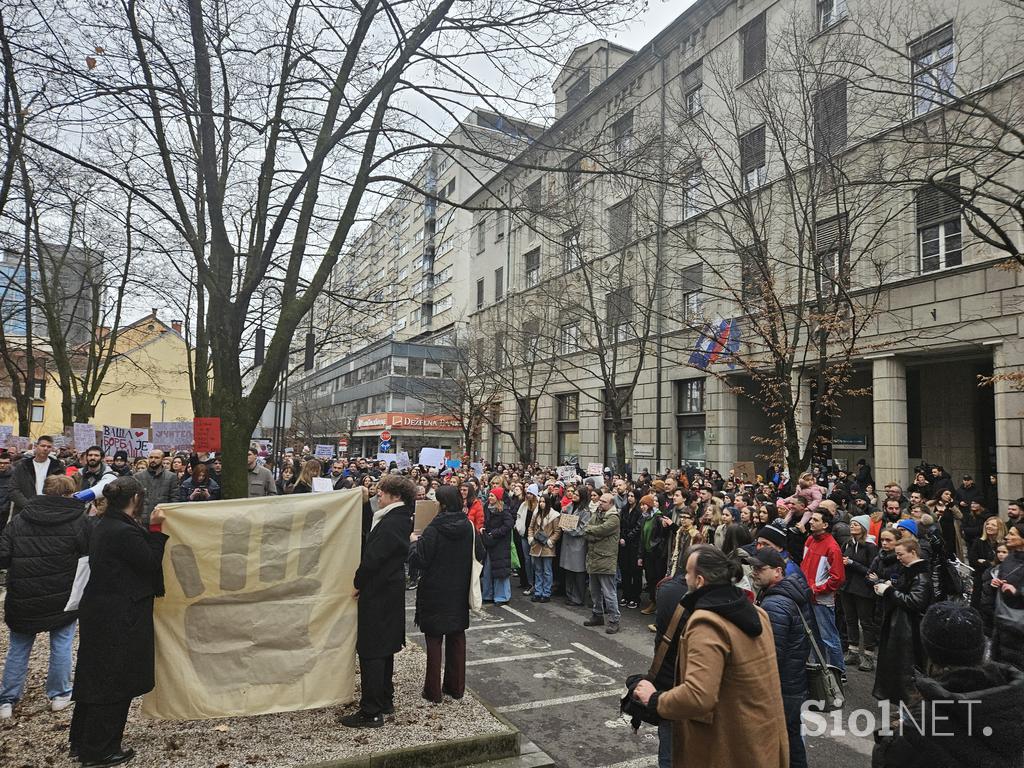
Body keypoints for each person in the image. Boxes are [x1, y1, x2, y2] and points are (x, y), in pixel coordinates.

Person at [632, 545, 788, 768]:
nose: (684, 577)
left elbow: (698, 696)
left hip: (729, 746)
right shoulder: (757, 612)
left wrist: (655, 699)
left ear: (701, 581)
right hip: (762, 737)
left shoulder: (706, 623)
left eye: (687, 572)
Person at [70, 476, 168, 765]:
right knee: (113, 680)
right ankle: (99, 749)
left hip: (101, 609)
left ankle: (82, 740)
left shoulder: (103, 523)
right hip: (119, 614)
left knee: (94, 675)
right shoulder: (123, 531)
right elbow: (150, 562)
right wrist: (156, 529)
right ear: (135, 499)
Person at [871, 602, 1024, 768]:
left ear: (928, 652)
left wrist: (891, 736)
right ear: (980, 647)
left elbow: (886, 761)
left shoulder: (924, 719)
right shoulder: (1013, 694)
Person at [0, 475, 90, 719]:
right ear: (69, 494)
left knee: (18, 648)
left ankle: (7, 700)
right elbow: (88, 554)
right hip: (62, 594)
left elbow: (3, 556)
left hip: (23, 594)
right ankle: (60, 695)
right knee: (61, 645)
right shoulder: (79, 521)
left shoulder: (19, 520)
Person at [342, 474, 416, 728]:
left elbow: (373, 556)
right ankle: (385, 699)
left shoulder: (393, 521)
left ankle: (371, 711)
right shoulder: (397, 517)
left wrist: (358, 582)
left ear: (395, 496)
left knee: (372, 649)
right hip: (387, 591)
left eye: (381, 493)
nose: (378, 497)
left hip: (379, 592)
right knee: (384, 646)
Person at [408, 485, 483, 704]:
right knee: (457, 638)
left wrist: (414, 543)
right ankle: (456, 687)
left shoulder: (433, 529)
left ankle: (433, 691)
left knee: (434, 641)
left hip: (435, 589)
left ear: (442, 504)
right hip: (459, 589)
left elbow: (419, 560)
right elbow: (481, 553)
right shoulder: (468, 526)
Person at [752, 548, 813, 768]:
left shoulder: (775, 603)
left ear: (778, 571)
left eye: (760, 568)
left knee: (772, 743)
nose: (754, 572)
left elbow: (771, 654)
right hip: (794, 682)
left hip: (782, 686)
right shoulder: (788, 592)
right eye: (753, 567)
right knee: (792, 738)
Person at [872, 536, 932, 704]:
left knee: (906, 673)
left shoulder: (920, 576)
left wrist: (889, 592)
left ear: (913, 552)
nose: (897, 558)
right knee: (898, 672)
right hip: (900, 627)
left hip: (908, 630)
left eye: (900, 554)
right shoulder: (909, 571)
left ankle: (910, 712)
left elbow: (915, 602)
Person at [799, 509, 846, 674]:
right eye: (811, 519)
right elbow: (803, 565)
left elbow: (838, 578)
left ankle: (838, 671)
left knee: (829, 637)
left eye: (815, 520)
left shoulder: (833, 547)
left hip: (821, 599)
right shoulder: (810, 539)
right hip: (807, 595)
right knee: (814, 636)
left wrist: (816, 589)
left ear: (825, 525)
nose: (810, 521)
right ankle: (819, 669)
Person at [840, 514, 879, 672]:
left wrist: (851, 563)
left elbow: (871, 570)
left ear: (863, 528)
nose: (852, 527)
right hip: (847, 588)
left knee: (866, 622)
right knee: (850, 619)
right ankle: (853, 650)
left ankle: (868, 655)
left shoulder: (870, 547)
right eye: (851, 524)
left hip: (863, 589)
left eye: (856, 524)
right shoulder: (847, 543)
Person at [988, 521, 1024, 670]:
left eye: (1012, 534)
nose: (1007, 536)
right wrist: (996, 583)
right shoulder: (1009, 558)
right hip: (1003, 621)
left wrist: (1018, 591)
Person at [583, 492, 621, 634]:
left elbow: (601, 530)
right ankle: (597, 614)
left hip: (606, 559)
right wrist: (591, 532)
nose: (600, 503)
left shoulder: (614, 518)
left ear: (611, 503)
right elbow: (588, 531)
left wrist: (590, 531)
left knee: (609, 593)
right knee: (594, 590)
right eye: (600, 501)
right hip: (593, 558)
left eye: (604, 501)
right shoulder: (597, 514)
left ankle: (614, 620)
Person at [8, 436, 65, 515]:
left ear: (52, 449)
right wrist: (28, 505)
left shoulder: (57, 466)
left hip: (49, 510)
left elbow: (62, 489)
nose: (45, 449)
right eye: (43, 446)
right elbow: (13, 489)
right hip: (25, 511)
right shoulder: (22, 465)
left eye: (49, 447)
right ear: (36, 446)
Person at [479, 481, 514, 606]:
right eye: (489, 496)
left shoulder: (504, 511)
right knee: (488, 570)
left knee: (500, 571)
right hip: (490, 543)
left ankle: (502, 597)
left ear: (498, 498)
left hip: (500, 545)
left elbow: (509, 525)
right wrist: (483, 529)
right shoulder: (487, 508)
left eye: (492, 496)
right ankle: (488, 595)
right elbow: (484, 521)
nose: (489, 498)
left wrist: (495, 533)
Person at [559, 486, 591, 607]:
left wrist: (569, 530)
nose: (574, 496)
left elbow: (583, 528)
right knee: (569, 571)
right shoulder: (570, 506)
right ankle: (570, 595)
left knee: (578, 572)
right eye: (574, 494)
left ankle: (578, 598)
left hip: (578, 544)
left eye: (577, 495)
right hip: (567, 542)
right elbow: (563, 517)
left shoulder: (585, 511)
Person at [527, 496, 561, 603]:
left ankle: (546, 593)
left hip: (547, 546)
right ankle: (538, 592)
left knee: (547, 571)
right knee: (538, 570)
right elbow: (531, 527)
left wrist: (550, 541)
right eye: (540, 501)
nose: (541, 504)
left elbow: (557, 531)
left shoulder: (554, 515)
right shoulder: (536, 513)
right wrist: (531, 538)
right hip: (536, 544)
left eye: (544, 502)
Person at [133, 449, 179, 528]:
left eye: (156, 458)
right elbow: (134, 499)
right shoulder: (138, 476)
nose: (153, 460)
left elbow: (174, 499)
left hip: (162, 518)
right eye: (151, 457)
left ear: (162, 459)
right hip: (142, 520)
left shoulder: (171, 477)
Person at [969, 516, 1006, 609]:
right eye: (987, 524)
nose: (989, 526)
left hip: (997, 581)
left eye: (993, 525)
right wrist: (991, 563)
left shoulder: (1004, 544)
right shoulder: (978, 542)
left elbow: (1003, 563)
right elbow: (972, 561)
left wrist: (984, 562)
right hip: (980, 579)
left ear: (1000, 528)